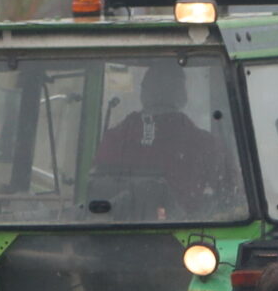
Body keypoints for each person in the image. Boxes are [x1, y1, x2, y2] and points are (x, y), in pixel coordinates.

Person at [89, 66, 237, 214]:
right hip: (189, 232)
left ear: (144, 94)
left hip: (116, 230)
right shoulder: (205, 143)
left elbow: (95, 187)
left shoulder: (115, 138)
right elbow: (233, 196)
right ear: (182, 96)